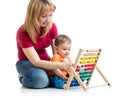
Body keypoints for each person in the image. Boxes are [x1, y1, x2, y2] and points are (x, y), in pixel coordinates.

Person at [15, 0, 72, 89]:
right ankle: (23, 77)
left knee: (60, 73)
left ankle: (46, 77)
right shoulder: (23, 32)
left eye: (50, 15)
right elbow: (36, 62)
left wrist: (61, 67)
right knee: (41, 80)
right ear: (33, 16)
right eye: (44, 16)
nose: (48, 19)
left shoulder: (52, 26)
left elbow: (56, 54)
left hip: (46, 61)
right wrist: (60, 65)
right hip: (27, 62)